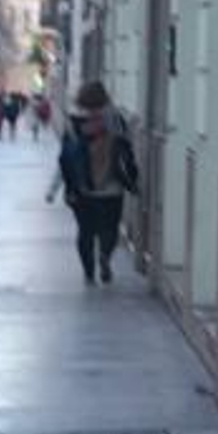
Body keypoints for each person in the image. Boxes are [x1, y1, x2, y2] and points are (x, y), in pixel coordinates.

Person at [47, 79, 138, 285]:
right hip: (113, 189)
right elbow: (128, 153)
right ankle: (105, 255)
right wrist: (132, 181)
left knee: (85, 232)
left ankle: (89, 272)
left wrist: (53, 189)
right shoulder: (116, 120)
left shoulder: (73, 124)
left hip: (82, 190)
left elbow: (65, 160)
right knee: (111, 228)